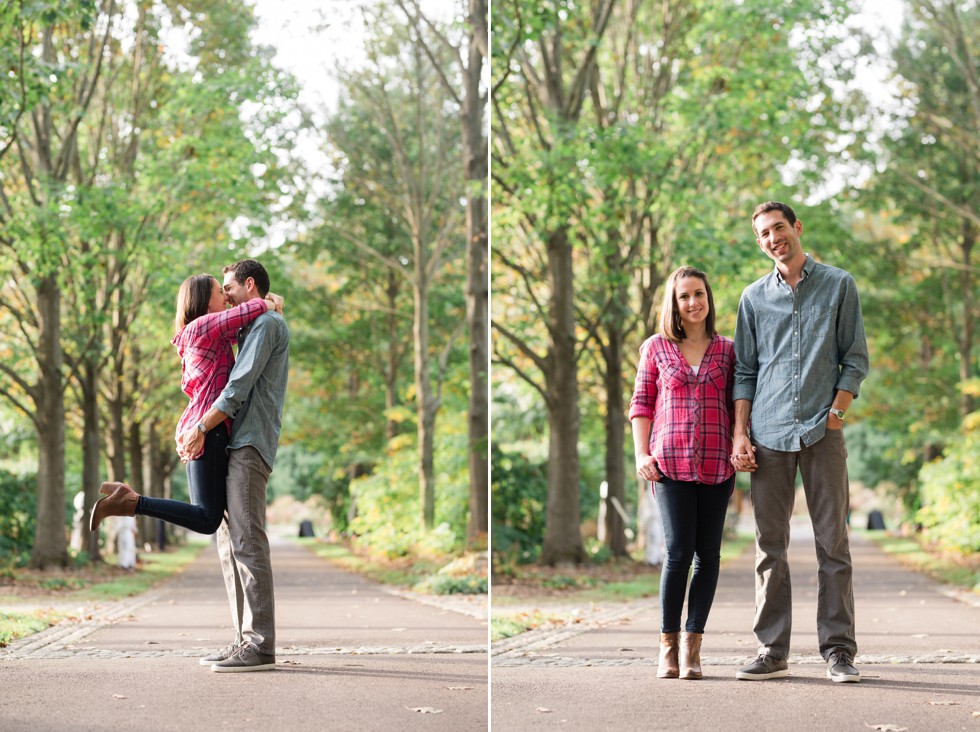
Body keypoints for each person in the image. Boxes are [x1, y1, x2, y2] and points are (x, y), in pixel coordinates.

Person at [731, 201, 869, 684]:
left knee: (834, 543)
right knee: (770, 546)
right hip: (767, 435)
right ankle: (772, 649)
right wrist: (740, 432)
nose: (773, 238)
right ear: (760, 242)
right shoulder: (752, 298)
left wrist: (835, 414)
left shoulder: (839, 285)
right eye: (764, 233)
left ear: (797, 229)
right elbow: (745, 372)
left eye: (779, 228)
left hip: (822, 433)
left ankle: (838, 651)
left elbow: (854, 359)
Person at [89, 274, 281, 534]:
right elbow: (248, 312)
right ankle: (131, 502)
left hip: (207, 428)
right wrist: (269, 303)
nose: (225, 297)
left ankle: (130, 501)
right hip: (207, 430)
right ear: (202, 299)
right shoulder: (203, 326)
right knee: (206, 519)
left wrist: (265, 303)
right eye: (218, 291)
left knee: (211, 515)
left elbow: (247, 329)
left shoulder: (210, 333)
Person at [176, 259, 289, 673]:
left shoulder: (267, 326)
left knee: (247, 542)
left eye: (228, 288)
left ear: (249, 285)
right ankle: (244, 639)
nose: (225, 297)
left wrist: (200, 427)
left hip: (248, 442)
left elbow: (237, 387)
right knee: (228, 545)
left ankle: (261, 645)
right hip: (231, 443)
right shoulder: (250, 324)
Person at [629, 266, 736, 680]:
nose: (693, 302)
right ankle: (668, 648)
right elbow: (641, 404)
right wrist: (641, 454)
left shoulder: (728, 350)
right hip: (669, 464)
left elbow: (737, 403)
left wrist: (740, 442)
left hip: (716, 463)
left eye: (699, 294)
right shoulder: (656, 348)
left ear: (709, 298)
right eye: (684, 296)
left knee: (708, 556)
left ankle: (694, 646)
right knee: (677, 554)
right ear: (673, 304)